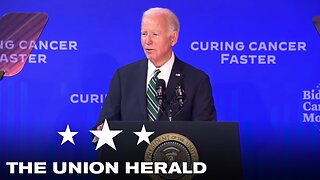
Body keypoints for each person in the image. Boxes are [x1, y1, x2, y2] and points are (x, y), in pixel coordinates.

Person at [96, 7, 216, 129]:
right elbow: (104, 126)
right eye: (144, 34)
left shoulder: (197, 80)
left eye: (155, 34)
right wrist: (101, 131)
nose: (147, 41)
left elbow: (206, 134)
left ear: (173, 38)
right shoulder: (124, 77)